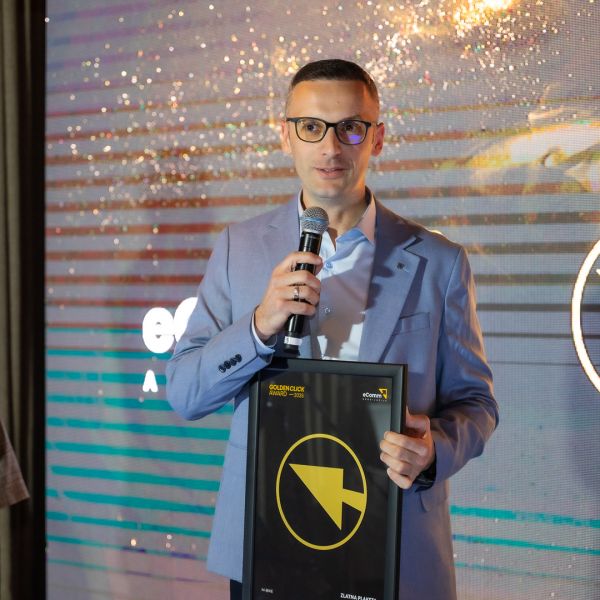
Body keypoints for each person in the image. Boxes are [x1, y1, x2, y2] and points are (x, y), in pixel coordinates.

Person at [166, 58, 498, 600]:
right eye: (311, 127)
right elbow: (184, 393)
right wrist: (258, 326)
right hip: (267, 540)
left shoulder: (439, 262)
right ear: (285, 136)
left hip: (392, 547)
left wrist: (434, 449)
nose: (330, 147)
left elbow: (477, 404)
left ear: (377, 138)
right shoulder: (237, 248)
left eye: (350, 128)